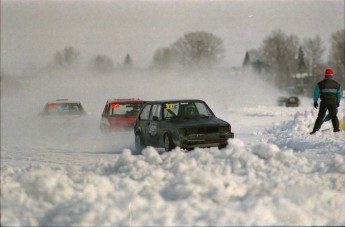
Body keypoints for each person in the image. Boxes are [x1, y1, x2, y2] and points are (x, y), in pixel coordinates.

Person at [310, 68, 342, 134]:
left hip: (324, 102)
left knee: (321, 116)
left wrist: (315, 101)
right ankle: (336, 130)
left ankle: (315, 131)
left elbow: (316, 93)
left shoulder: (320, 84)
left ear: (325, 75)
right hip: (333, 102)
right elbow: (339, 94)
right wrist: (338, 101)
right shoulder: (337, 84)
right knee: (334, 116)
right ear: (332, 75)